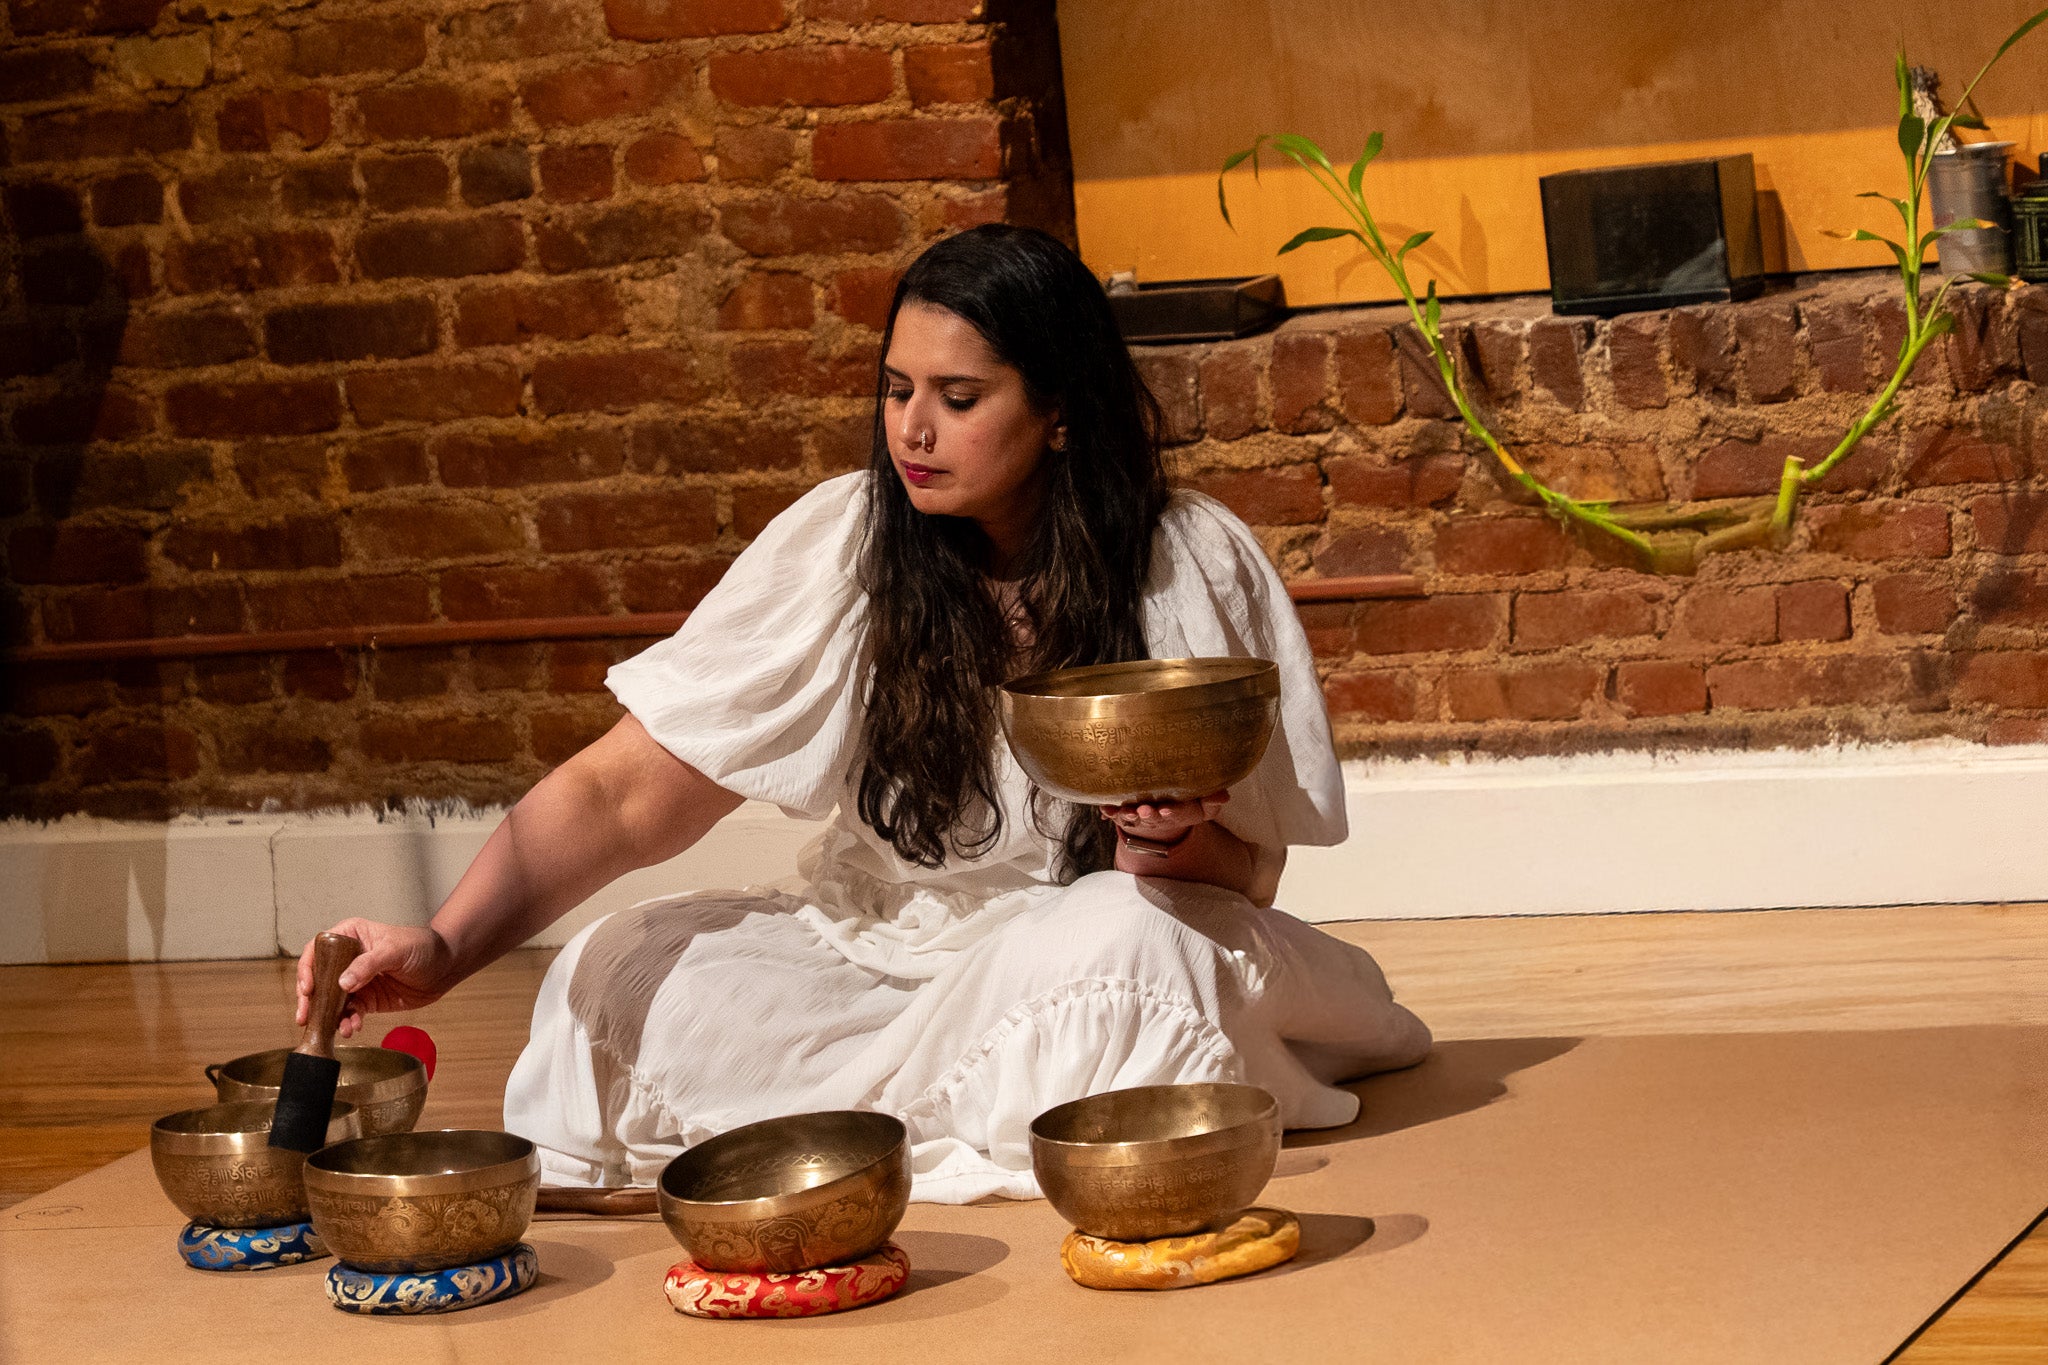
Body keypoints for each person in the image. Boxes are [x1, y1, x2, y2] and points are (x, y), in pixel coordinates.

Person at [296, 224, 1431, 1203]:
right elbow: (623, 790)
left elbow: (1248, 882)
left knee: (1126, 947)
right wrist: (444, 944)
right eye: (895, 390)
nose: (912, 431)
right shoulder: (849, 542)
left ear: (1059, 413)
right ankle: (929, 1127)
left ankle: (860, 1138)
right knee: (617, 962)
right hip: (875, 956)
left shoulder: (1178, 561)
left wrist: (1162, 839)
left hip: (1078, 943)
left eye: (957, 397)